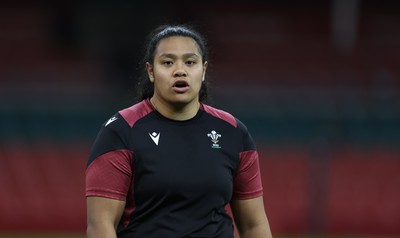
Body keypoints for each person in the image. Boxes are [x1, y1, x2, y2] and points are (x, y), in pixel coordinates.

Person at [85, 24, 273, 238]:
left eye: (190, 62)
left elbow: (254, 226)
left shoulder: (234, 132)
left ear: (203, 70)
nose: (180, 70)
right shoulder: (121, 131)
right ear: (151, 71)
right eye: (167, 62)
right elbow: (100, 226)